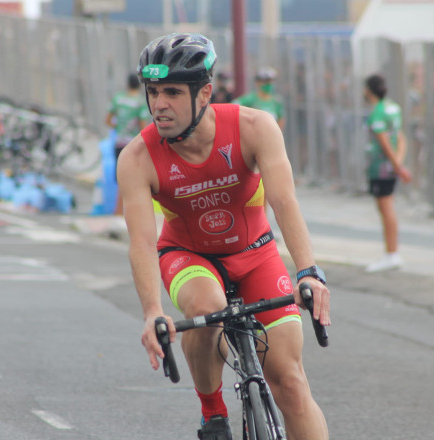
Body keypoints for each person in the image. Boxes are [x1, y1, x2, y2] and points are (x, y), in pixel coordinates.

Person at [117, 33, 330, 440]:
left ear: (204, 93)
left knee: (291, 383)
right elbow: (142, 242)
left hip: (256, 252)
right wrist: (152, 311)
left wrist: (308, 272)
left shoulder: (254, 127)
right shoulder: (137, 158)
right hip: (187, 255)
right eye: (154, 92)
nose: (159, 104)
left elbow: (284, 202)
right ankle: (213, 411)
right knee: (207, 306)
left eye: (173, 92)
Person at [363, 74, 412, 273]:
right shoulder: (393, 108)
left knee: (385, 208)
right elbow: (400, 137)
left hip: (381, 167)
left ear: (369, 90)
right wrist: (399, 162)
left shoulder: (377, 112)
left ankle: (391, 253)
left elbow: (384, 142)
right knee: (387, 207)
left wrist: (396, 166)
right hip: (392, 165)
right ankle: (392, 253)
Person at [105, 72, 150, 215]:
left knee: (121, 179)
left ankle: (117, 212)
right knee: (135, 180)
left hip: (119, 143)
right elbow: (143, 126)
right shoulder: (140, 102)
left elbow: (107, 120)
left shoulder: (118, 98)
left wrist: (119, 128)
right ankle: (126, 213)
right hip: (133, 145)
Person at [233, 67, 285, 131]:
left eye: (270, 81)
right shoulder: (250, 99)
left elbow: (281, 119)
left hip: (271, 135)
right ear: (257, 83)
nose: (269, 84)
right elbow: (234, 105)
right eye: (265, 81)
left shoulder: (277, 101)